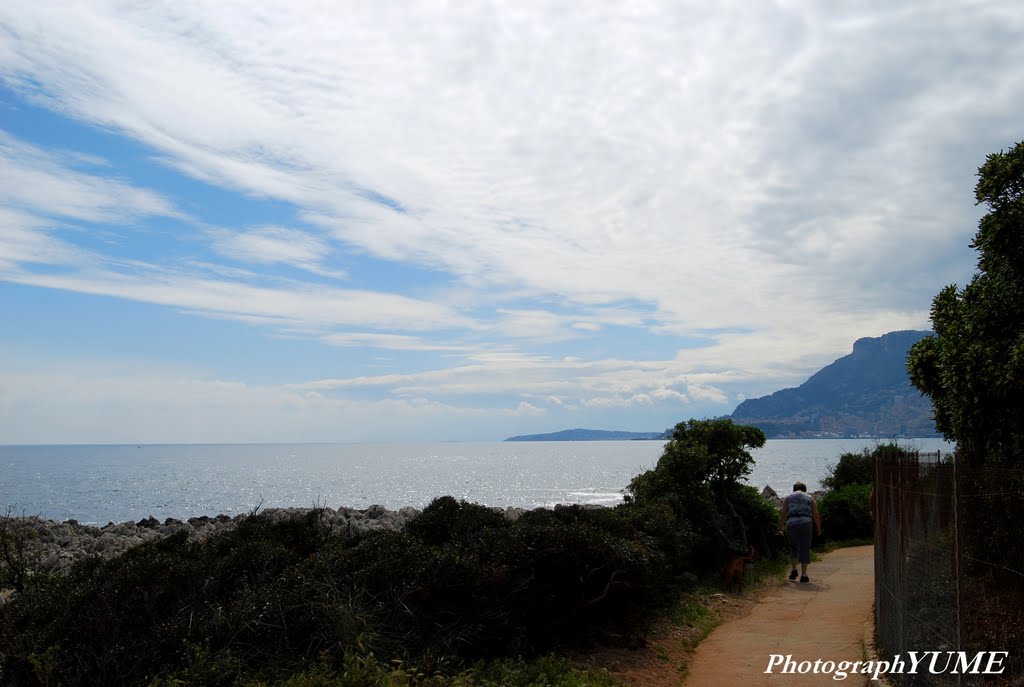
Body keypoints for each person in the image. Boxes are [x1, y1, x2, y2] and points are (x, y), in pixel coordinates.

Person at [779, 482, 822, 583]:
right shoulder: (809, 498)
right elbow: (816, 513)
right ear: (804, 489)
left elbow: (784, 513)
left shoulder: (788, 498)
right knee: (804, 547)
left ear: (794, 489)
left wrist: (781, 527)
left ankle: (794, 569)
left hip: (792, 523)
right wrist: (818, 527)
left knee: (793, 546)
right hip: (806, 523)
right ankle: (804, 575)